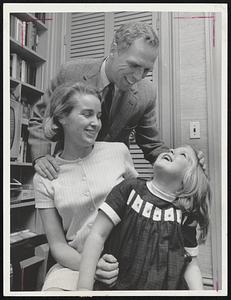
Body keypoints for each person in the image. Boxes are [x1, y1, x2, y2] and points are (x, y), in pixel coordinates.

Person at [28, 21, 171, 180]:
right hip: (66, 175)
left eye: (146, 70)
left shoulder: (147, 93)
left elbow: (152, 144)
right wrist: (41, 156)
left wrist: (177, 161)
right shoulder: (69, 73)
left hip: (113, 181)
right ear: (114, 50)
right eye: (133, 65)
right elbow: (40, 118)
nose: (138, 77)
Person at [33, 82, 138, 291]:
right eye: (87, 114)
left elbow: (142, 205)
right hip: (75, 265)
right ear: (62, 118)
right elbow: (58, 246)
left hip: (126, 260)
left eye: (98, 116)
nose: (96, 123)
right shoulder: (44, 178)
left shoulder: (119, 152)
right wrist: (91, 266)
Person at [77, 145, 211, 291]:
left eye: (183, 154)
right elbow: (97, 235)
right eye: (172, 150)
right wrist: (84, 289)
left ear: (189, 178)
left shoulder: (185, 215)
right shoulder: (129, 189)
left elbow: (190, 265)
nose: (171, 151)